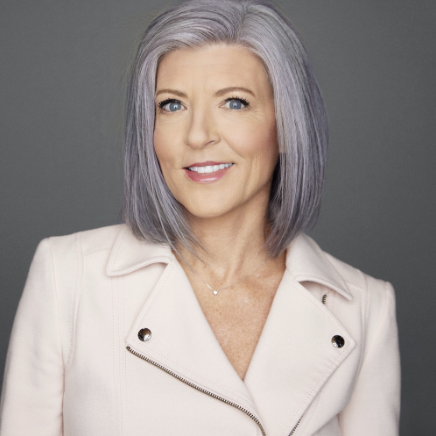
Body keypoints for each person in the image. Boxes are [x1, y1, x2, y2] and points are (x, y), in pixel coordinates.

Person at [0, 0, 400, 435]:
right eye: (172, 105)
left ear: (287, 125)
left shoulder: (363, 308)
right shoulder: (67, 278)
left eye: (234, 102)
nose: (197, 135)